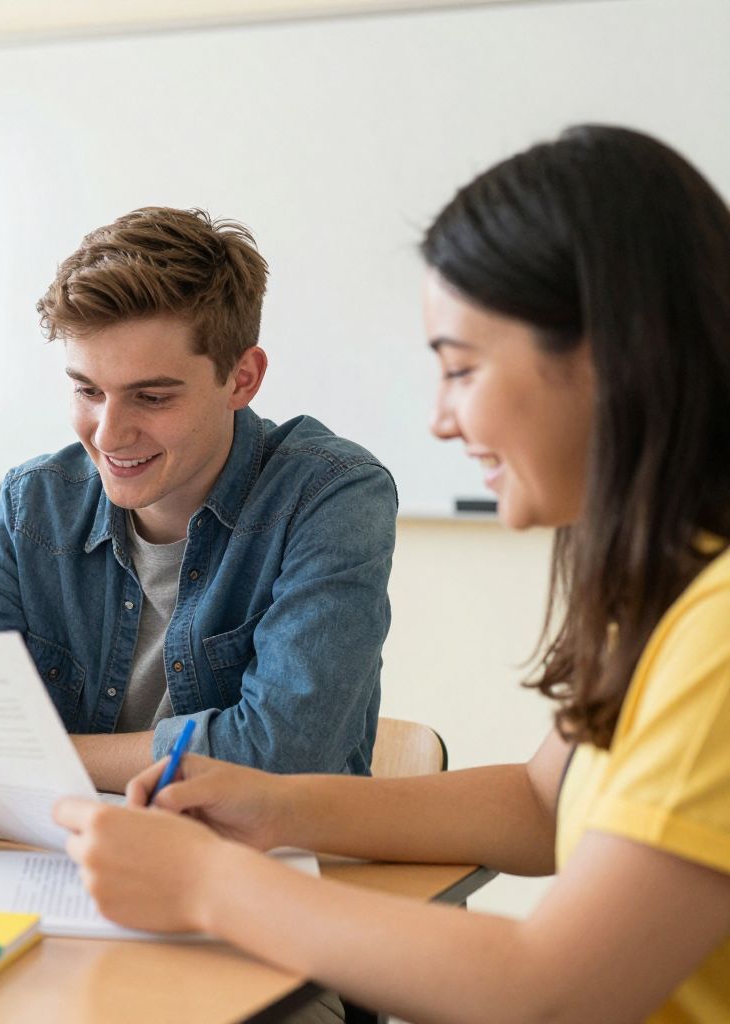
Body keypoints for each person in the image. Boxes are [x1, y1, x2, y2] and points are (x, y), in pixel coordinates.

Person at [55, 125, 730, 1023]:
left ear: (612, 358)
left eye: (461, 369)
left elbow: (552, 991)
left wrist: (209, 885)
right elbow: (542, 802)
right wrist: (278, 806)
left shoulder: (719, 632)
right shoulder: (671, 587)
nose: (444, 420)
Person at [0, 206, 399, 846]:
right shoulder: (38, 501)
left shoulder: (331, 495)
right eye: (87, 391)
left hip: (273, 878)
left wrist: (15, 760)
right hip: (63, 868)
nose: (108, 435)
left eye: (152, 397)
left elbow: (278, 753)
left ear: (241, 379)